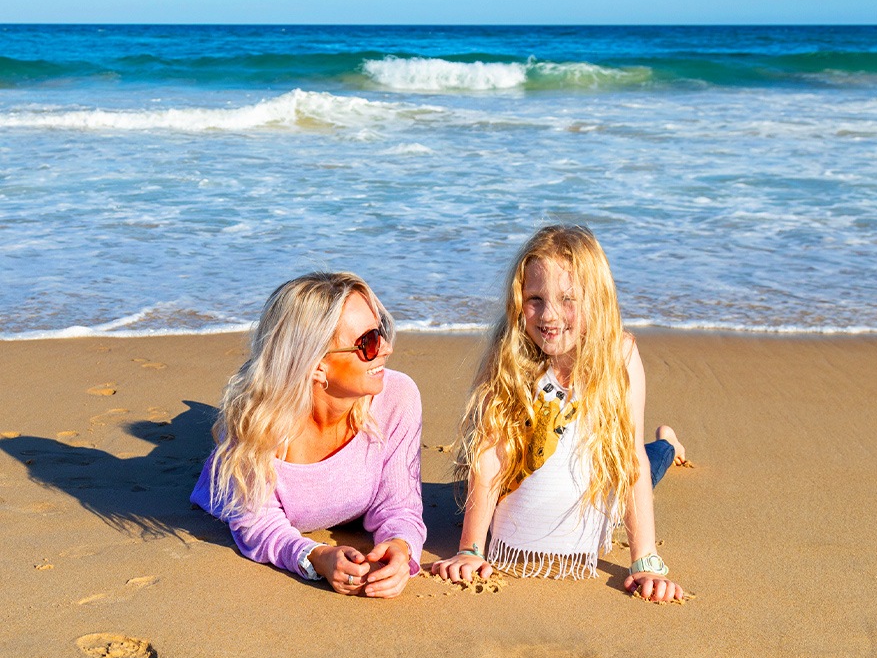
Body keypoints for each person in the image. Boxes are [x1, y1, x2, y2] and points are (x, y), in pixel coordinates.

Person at [431, 225, 686, 602]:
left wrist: (645, 560)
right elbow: (487, 457)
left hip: (600, 478)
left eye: (568, 299)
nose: (549, 316)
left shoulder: (620, 355)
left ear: (595, 300)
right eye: (535, 298)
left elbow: (629, 461)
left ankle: (668, 443)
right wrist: (470, 548)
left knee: (651, 459)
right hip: (537, 469)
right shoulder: (509, 353)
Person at [191, 272, 426, 599]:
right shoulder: (256, 425)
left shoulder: (397, 397)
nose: (386, 348)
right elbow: (259, 525)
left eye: (382, 330)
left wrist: (401, 550)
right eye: (369, 342)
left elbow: (400, 506)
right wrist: (315, 556)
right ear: (316, 365)